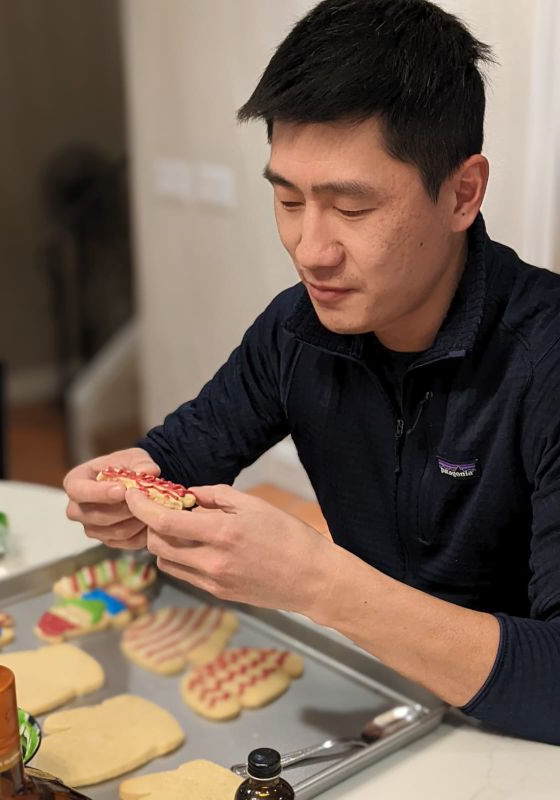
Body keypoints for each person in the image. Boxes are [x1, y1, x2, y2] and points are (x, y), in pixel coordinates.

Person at [64, 0, 560, 744]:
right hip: (382, 709)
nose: (310, 249)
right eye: (288, 199)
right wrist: (127, 483)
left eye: (352, 209)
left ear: (463, 192)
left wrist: (318, 582)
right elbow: (181, 453)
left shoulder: (544, 361)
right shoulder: (297, 329)